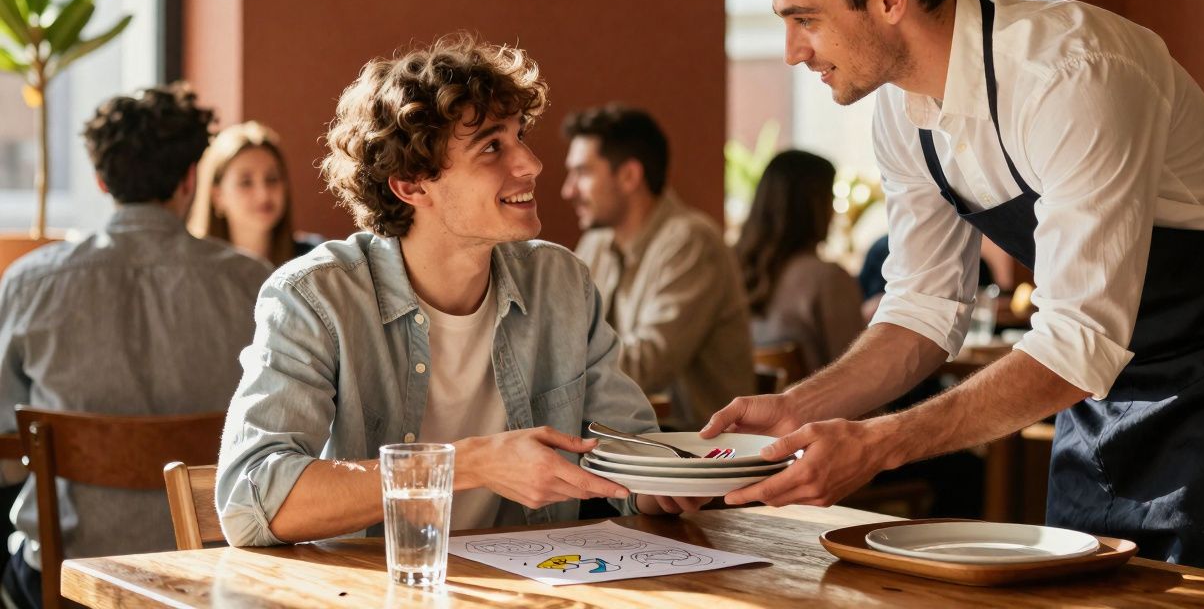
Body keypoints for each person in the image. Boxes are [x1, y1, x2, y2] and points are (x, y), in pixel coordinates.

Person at [702, 0, 1204, 578]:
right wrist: (796, 409)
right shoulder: (902, 115)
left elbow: (1078, 342)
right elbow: (925, 313)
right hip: (1097, 388)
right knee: (1080, 593)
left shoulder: (1073, 73)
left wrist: (877, 444)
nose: (791, 51)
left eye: (804, 18)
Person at [216, 35, 705, 548]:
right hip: (371, 590)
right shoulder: (314, 297)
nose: (531, 164)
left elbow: (629, 449)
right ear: (411, 184)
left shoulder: (560, 283)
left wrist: (668, 484)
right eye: (493, 146)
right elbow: (252, 503)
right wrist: (468, 465)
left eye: (519, 136)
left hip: (531, 587)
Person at [0, 84, 271, 608]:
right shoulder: (256, 285)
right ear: (190, 178)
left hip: (68, 579)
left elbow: (6, 450)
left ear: (101, 181)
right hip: (211, 576)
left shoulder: (31, 282)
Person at [561, 105, 754, 431]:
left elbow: (645, 368)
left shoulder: (691, 242)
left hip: (696, 448)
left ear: (629, 176)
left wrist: (548, 364)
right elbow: (568, 334)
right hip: (627, 440)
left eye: (582, 172)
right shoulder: (597, 242)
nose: (568, 190)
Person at [736, 149, 865, 374]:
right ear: (815, 206)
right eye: (830, 198)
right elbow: (863, 375)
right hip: (819, 408)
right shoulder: (827, 279)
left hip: (740, 407)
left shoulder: (732, 268)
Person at [189, 121, 321, 265]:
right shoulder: (194, 267)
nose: (263, 194)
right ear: (217, 196)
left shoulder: (315, 258)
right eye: (246, 182)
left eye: (272, 179)